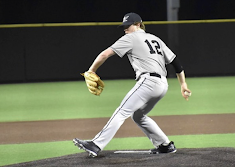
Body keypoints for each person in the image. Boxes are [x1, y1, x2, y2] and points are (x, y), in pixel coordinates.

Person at [73, 12, 191, 157]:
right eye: (124, 26)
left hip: (148, 82)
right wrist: (183, 84)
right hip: (162, 85)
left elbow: (105, 54)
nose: (125, 29)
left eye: (128, 25)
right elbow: (176, 63)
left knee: (122, 111)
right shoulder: (156, 39)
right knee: (138, 116)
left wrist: (91, 70)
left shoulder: (130, 38)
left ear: (138, 24)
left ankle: (96, 144)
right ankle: (165, 145)